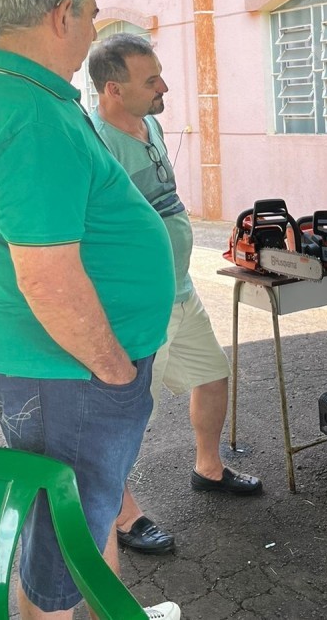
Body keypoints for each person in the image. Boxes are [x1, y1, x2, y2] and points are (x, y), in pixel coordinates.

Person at [0, 0, 180, 619]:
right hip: (67, 371)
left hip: (40, 360)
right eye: (90, 13)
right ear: (61, 14)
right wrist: (112, 367)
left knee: (84, 519)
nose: (93, 30)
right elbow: (50, 277)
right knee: (63, 549)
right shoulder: (29, 116)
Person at [88, 33, 263, 555]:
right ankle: (120, 514)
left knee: (212, 376)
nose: (165, 86)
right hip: (136, 302)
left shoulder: (151, 124)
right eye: (151, 80)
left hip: (180, 289)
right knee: (125, 414)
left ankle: (208, 468)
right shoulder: (94, 143)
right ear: (114, 89)